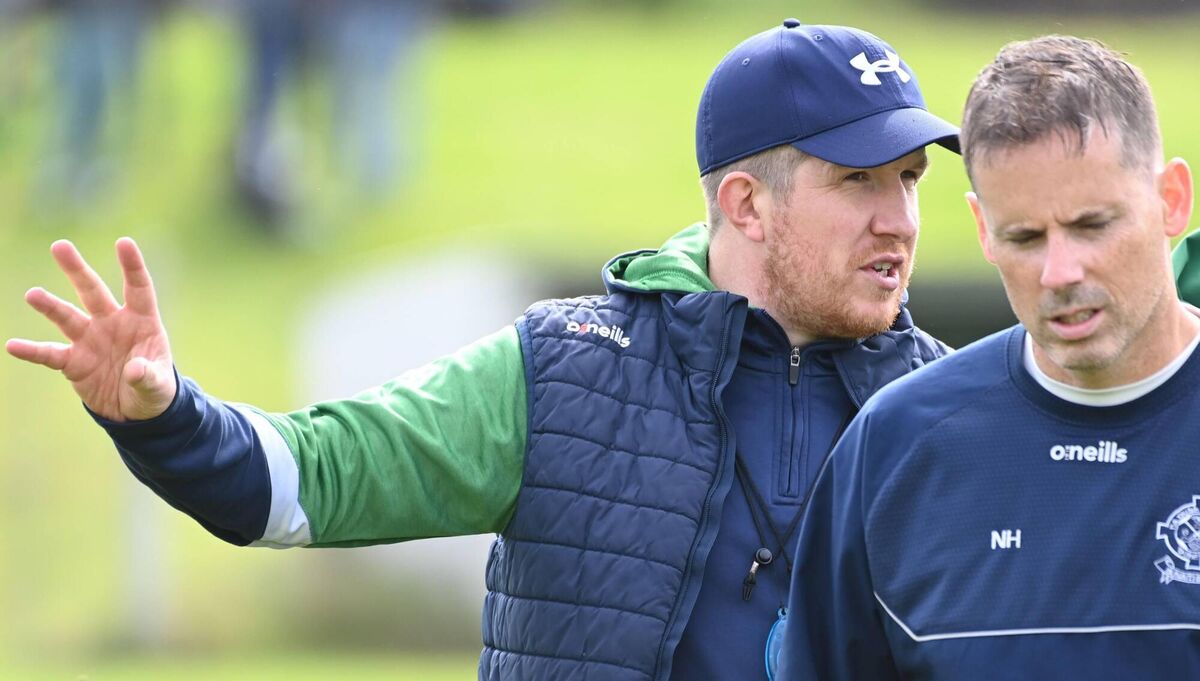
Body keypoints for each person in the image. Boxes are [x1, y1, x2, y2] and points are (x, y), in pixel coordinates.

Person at [6, 20, 959, 681]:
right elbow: (308, 480)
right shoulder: (562, 368)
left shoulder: (952, 404)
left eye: (912, 178)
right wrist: (167, 414)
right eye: (862, 180)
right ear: (747, 203)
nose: (902, 221)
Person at [780, 35, 1200, 680]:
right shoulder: (893, 447)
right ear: (983, 230)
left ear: (1172, 199)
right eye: (1024, 237)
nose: (1061, 271)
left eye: (1093, 225)